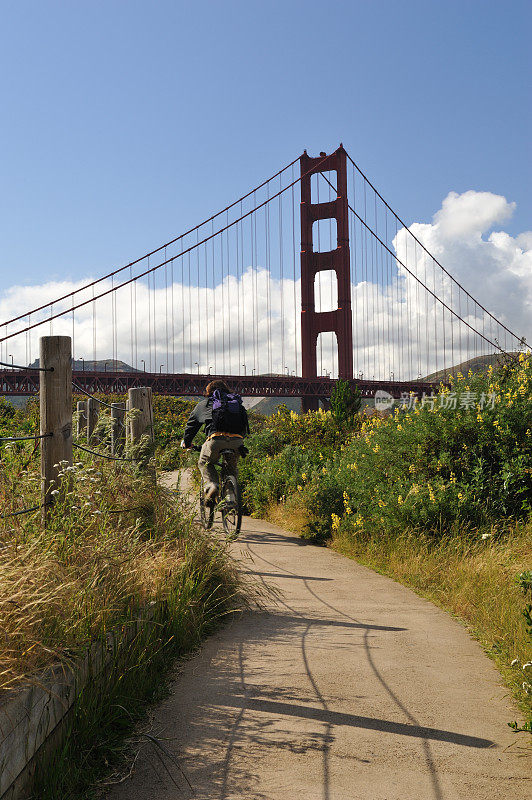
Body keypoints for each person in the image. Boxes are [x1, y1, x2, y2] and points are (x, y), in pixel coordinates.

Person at [181, 380, 249, 502]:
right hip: (237, 442)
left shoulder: (204, 404)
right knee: (230, 469)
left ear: (208, 392)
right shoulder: (236, 403)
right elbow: (244, 426)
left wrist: (187, 442)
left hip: (215, 440)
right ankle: (230, 496)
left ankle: (212, 485)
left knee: (204, 462)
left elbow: (191, 427)